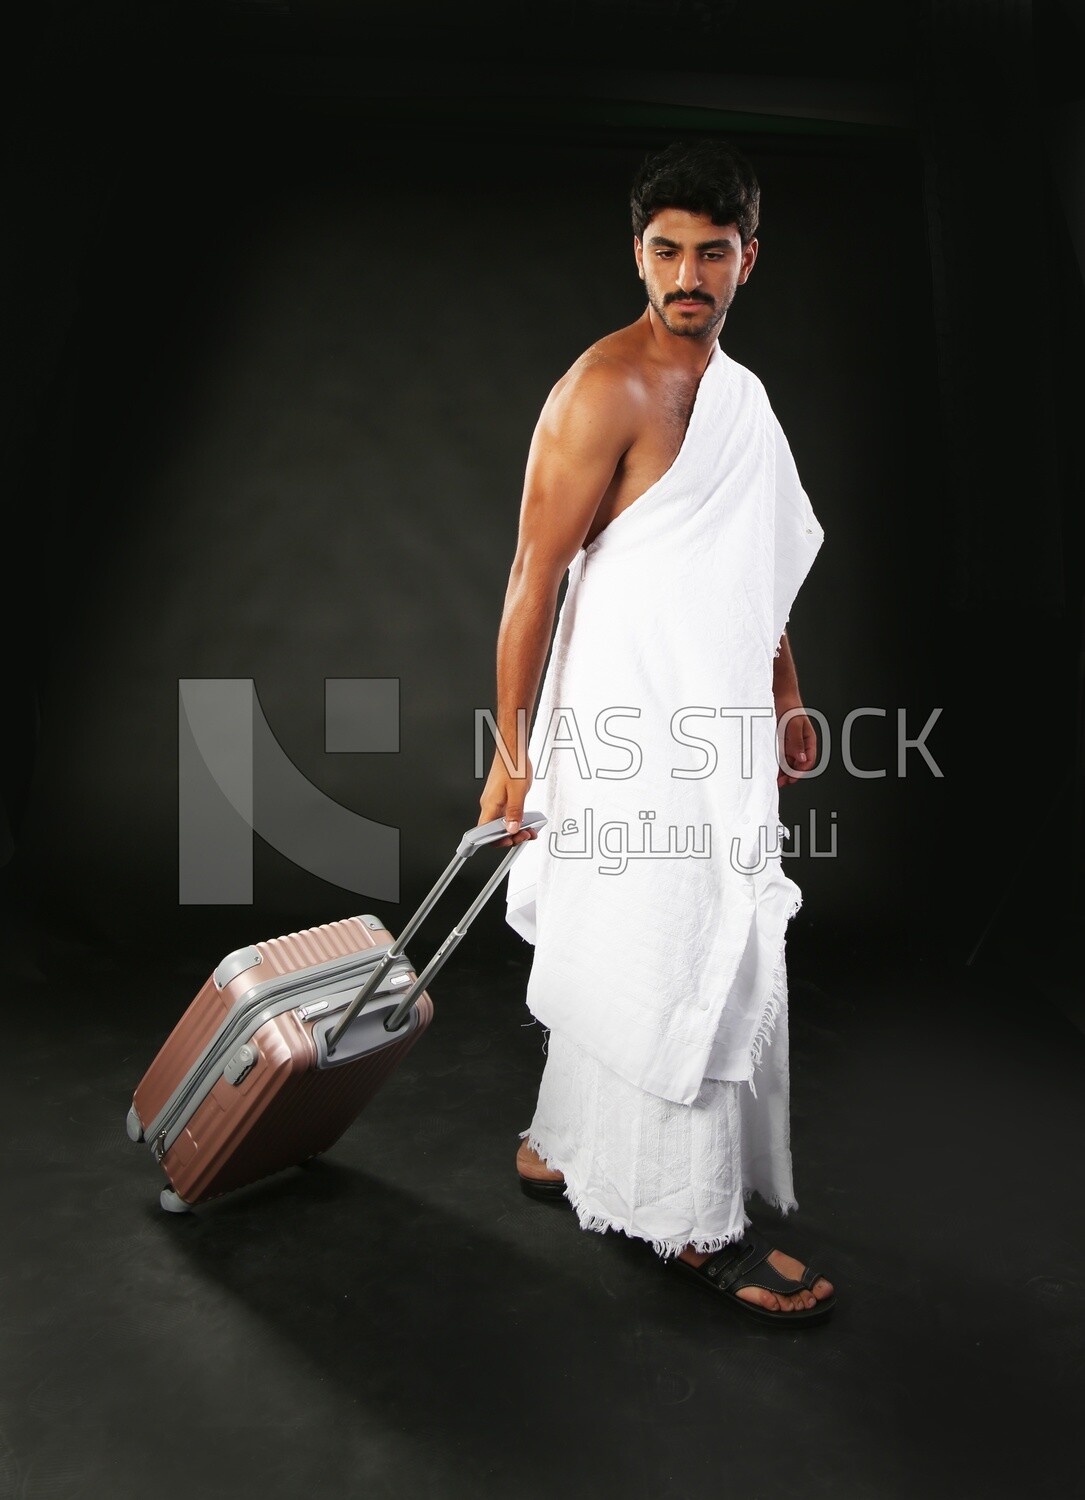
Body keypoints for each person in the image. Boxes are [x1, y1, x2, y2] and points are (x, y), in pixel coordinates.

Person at [477, 137, 835, 1324]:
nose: (689, 273)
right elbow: (531, 580)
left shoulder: (742, 401)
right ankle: (690, 1226)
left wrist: (783, 697)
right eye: (667, 250)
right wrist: (511, 752)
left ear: (745, 263)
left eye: (712, 253)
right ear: (638, 255)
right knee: (666, 951)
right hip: (625, 731)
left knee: (671, 945)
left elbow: (759, 574)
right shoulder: (602, 388)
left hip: (717, 729)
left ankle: (563, 1143)